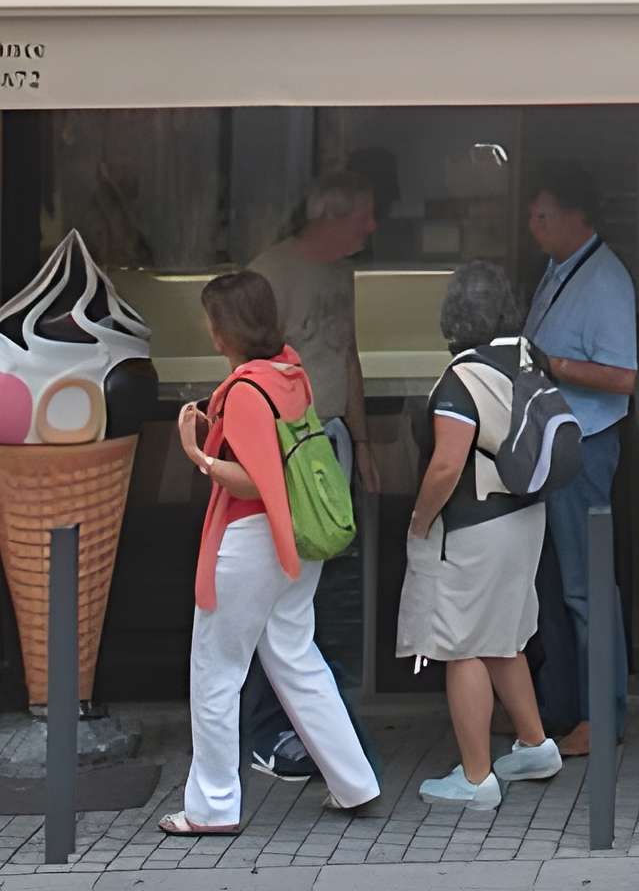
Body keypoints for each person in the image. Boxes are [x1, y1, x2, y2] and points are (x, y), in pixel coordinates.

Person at [162, 269, 377, 836]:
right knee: (295, 655)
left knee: (215, 671)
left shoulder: (245, 390)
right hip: (297, 542)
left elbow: (257, 478)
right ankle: (354, 780)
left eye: (212, 319)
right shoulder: (290, 372)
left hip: (252, 540)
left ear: (224, 328)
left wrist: (197, 453)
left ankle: (211, 805)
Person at [398, 260, 563, 810]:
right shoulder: (526, 354)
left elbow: (446, 467)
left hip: (475, 524)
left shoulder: (460, 378)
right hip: (525, 516)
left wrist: (420, 521)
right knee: (505, 635)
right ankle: (536, 746)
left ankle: (474, 779)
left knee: (462, 646)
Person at [243, 170, 382, 779]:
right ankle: (270, 729)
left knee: (324, 587)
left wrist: (362, 435)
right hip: (291, 447)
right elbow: (252, 366)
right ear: (330, 214)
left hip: (330, 441)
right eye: (364, 216)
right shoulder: (273, 272)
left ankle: (314, 718)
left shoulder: (338, 271)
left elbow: (346, 353)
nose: (373, 228)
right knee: (282, 587)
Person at [524, 167, 638, 749]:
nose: (532, 225)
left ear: (577, 217)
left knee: (586, 587)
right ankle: (559, 706)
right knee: (552, 586)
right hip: (554, 444)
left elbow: (624, 377)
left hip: (585, 445)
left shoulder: (605, 280)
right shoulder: (560, 268)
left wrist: (555, 367)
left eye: (543, 215)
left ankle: (603, 714)